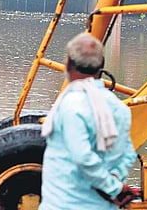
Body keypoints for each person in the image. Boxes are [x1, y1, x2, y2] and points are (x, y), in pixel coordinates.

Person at [38, 33, 139, 209]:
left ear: (68, 63)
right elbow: (129, 153)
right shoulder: (120, 108)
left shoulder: (70, 105)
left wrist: (112, 187)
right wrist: (116, 180)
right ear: (101, 66)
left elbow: (82, 157)